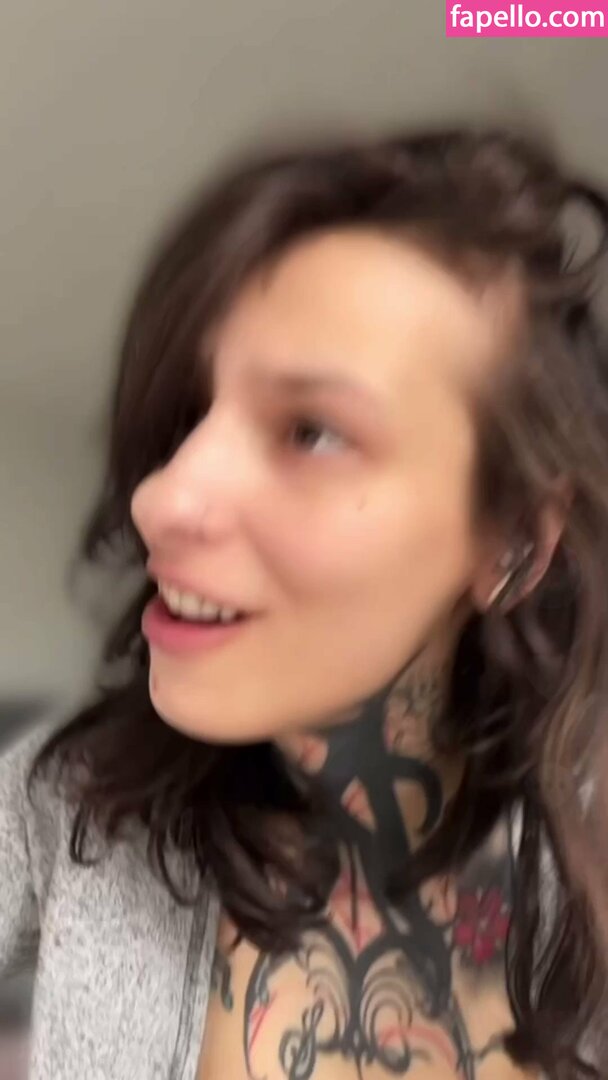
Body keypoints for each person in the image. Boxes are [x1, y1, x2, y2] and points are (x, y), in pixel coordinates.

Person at [1, 124, 608, 1080]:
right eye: (193, 412)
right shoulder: (64, 807)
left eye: (313, 432)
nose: (160, 497)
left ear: (515, 543)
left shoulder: (585, 897)